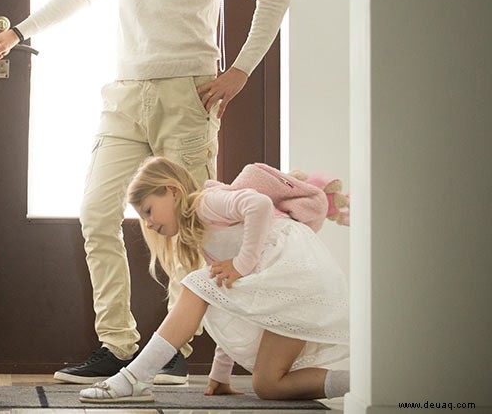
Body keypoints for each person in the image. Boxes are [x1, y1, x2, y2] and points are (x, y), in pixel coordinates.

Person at [0, 0, 290, 384]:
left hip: (186, 93)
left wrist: (241, 71)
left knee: (187, 224)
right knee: (97, 212)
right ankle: (118, 346)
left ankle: (175, 348)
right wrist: (19, 32)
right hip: (124, 90)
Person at [78, 156, 349, 403]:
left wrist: (242, 264)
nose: (147, 223)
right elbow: (232, 303)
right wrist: (221, 374)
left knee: (198, 284)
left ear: (172, 190)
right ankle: (364, 383)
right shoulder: (207, 242)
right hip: (294, 287)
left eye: (148, 210)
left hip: (294, 273)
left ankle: (135, 378)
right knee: (269, 385)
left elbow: (259, 204)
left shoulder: (207, 202)